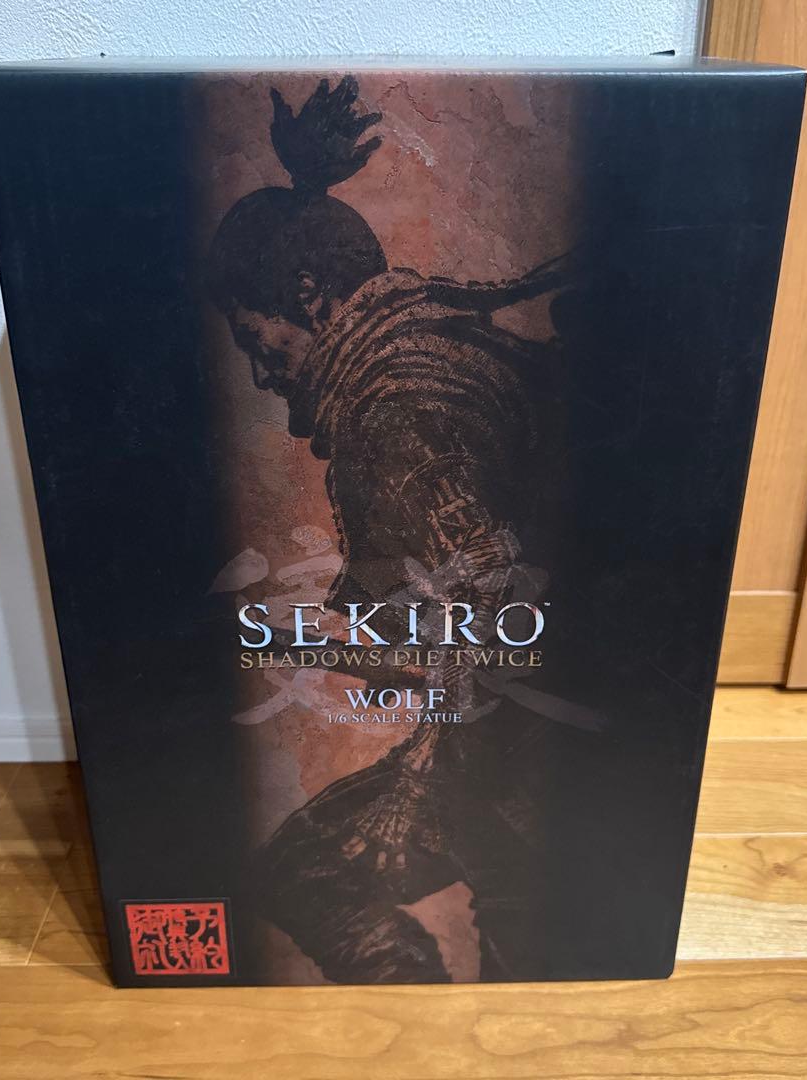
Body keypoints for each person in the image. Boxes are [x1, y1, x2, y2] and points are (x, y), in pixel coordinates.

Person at [208, 76, 602, 983]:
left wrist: (418, 773)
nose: (262, 375)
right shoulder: (433, 354)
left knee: (314, 873)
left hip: (514, 759)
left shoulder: (394, 410)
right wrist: (297, 642)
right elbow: (464, 627)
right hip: (527, 739)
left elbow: (487, 616)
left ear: (309, 295)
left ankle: (404, 1013)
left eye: (257, 341)